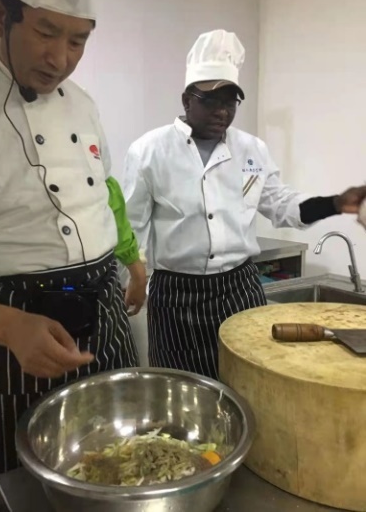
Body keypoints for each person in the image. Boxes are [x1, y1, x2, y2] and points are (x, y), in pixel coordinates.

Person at [0, 0, 146, 510]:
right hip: (4, 327)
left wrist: (132, 260)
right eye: (46, 32)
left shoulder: (82, 104)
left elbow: (104, 191)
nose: (60, 59)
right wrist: (2, 323)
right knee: (19, 488)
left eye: (78, 41)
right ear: (1, 16)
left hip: (104, 309)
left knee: (119, 468)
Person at [123, 29, 366, 381]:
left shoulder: (252, 149)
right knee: (181, 387)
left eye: (231, 101)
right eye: (211, 100)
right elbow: (132, 225)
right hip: (176, 293)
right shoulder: (149, 151)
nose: (222, 111)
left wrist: (335, 203)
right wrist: (135, 276)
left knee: (245, 382)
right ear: (187, 100)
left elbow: (283, 205)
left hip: (238, 288)